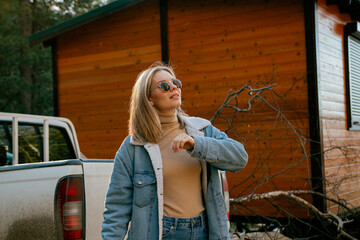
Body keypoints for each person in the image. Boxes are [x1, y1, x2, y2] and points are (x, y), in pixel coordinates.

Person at [101, 62, 248, 240]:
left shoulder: (201, 130)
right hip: (162, 233)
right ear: (149, 98)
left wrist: (197, 145)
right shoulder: (133, 147)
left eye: (176, 83)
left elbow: (240, 158)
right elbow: (116, 209)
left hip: (204, 231)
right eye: (164, 86)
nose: (173, 88)